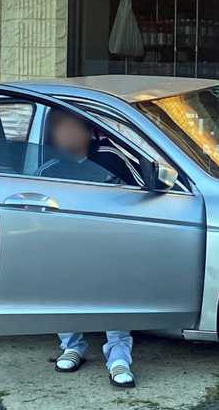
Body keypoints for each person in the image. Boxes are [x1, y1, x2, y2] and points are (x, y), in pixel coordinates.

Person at [37, 110, 140, 388]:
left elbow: (138, 194)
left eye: (67, 126)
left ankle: (119, 356)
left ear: (85, 128)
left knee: (112, 292)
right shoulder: (50, 167)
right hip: (68, 245)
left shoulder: (112, 157)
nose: (62, 133)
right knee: (61, 284)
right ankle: (71, 345)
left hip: (110, 243)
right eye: (56, 127)